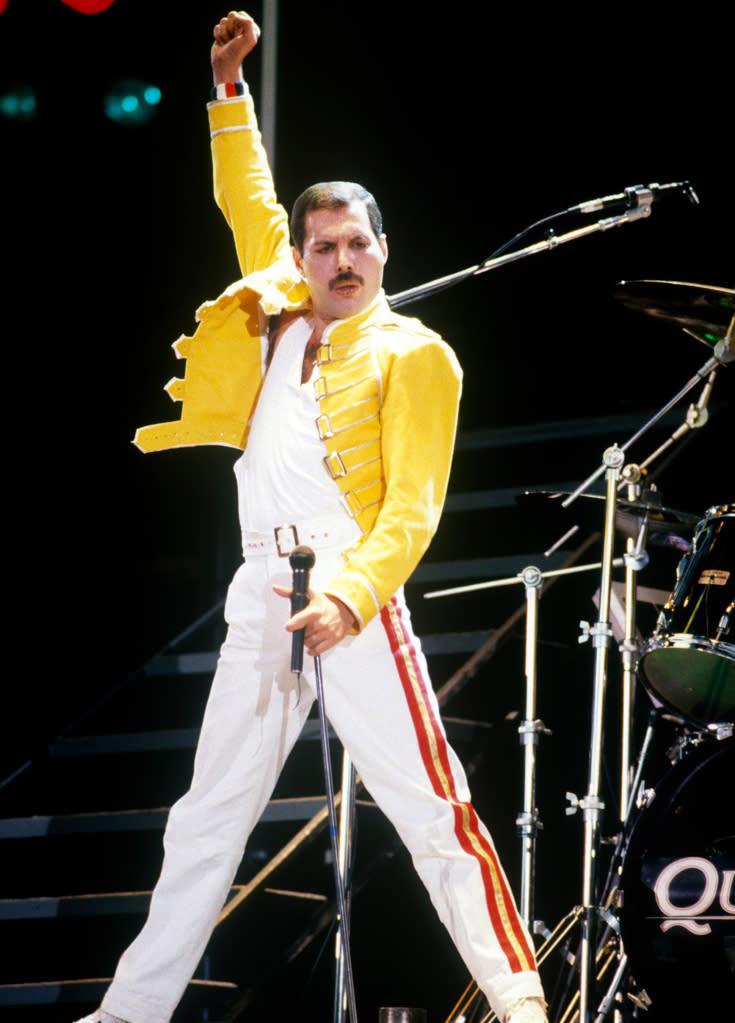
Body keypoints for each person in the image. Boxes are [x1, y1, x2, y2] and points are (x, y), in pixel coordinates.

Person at [75, 11, 547, 1023]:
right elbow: (245, 197)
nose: (340, 259)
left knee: (433, 812)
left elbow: (415, 507)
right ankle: (127, 1015)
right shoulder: (278, 309)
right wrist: (226, 88)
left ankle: (521, 1003)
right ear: (303, 252)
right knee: (205, 820)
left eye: (357, 243)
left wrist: (351, 595)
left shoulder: (414, 352)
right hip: (259, 588)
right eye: (323, 244)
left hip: (353, 589)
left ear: (383, 250)